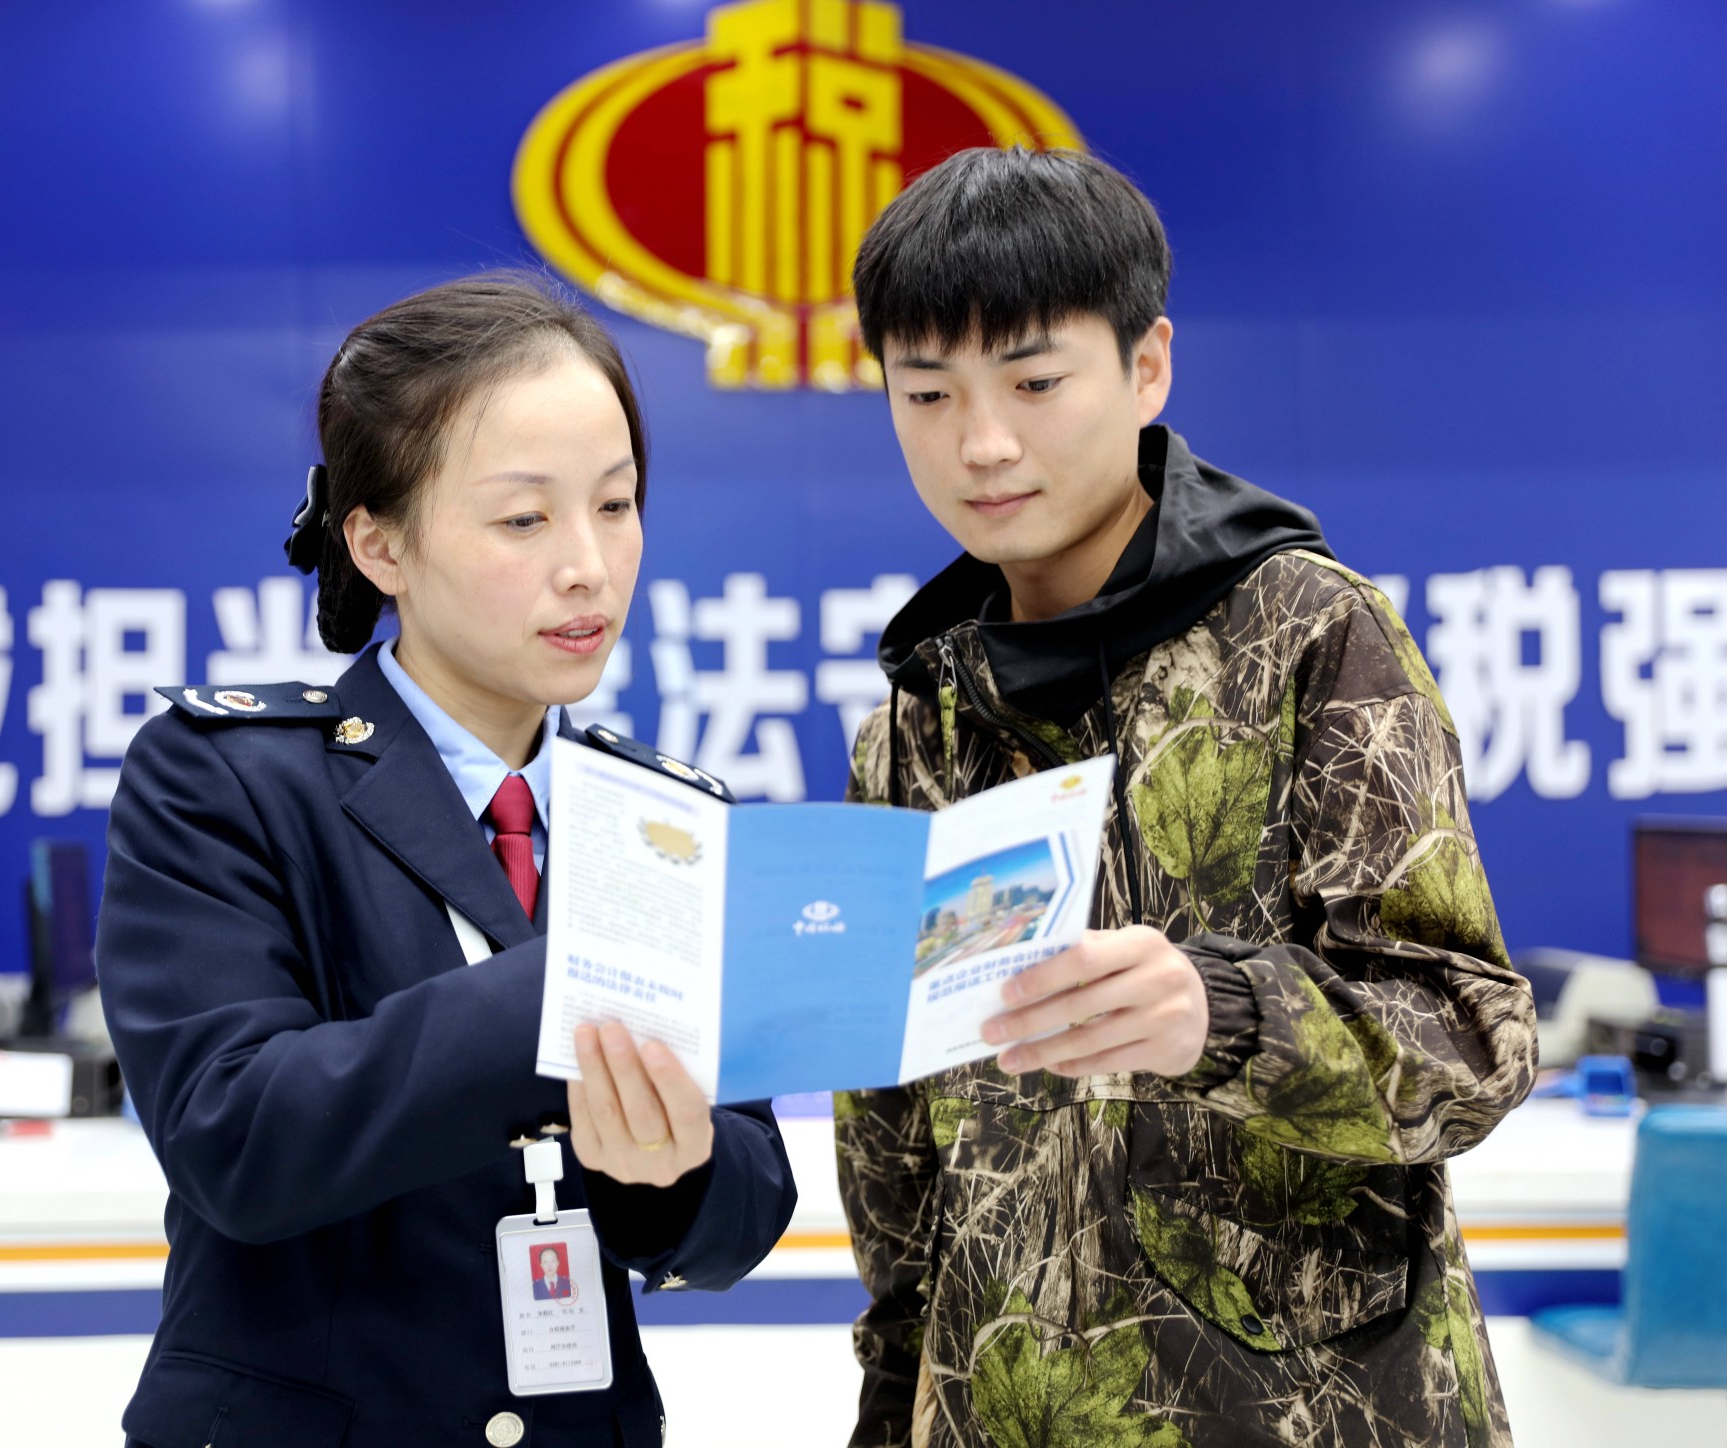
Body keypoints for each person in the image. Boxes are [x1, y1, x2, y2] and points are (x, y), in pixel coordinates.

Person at [834, 148, 1537, 1448]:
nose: (982, 442)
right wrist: (890, 1404)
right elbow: (894, 1141)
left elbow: (1471, 1042)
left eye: (1035, 382)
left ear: (1147, 366)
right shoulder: (913, 723)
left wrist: (1224, 1014)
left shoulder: (1309, 633)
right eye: (926, 392)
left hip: (1310, 1412)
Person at [97, 274, 796, 1447]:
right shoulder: (226, 777)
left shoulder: (665, 815)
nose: (589, 565)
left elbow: (745, 1204)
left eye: (616, 503)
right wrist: (567, 983)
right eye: (525, 519)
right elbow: (237, 1134)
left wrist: (665, 1169)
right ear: (380, 542)